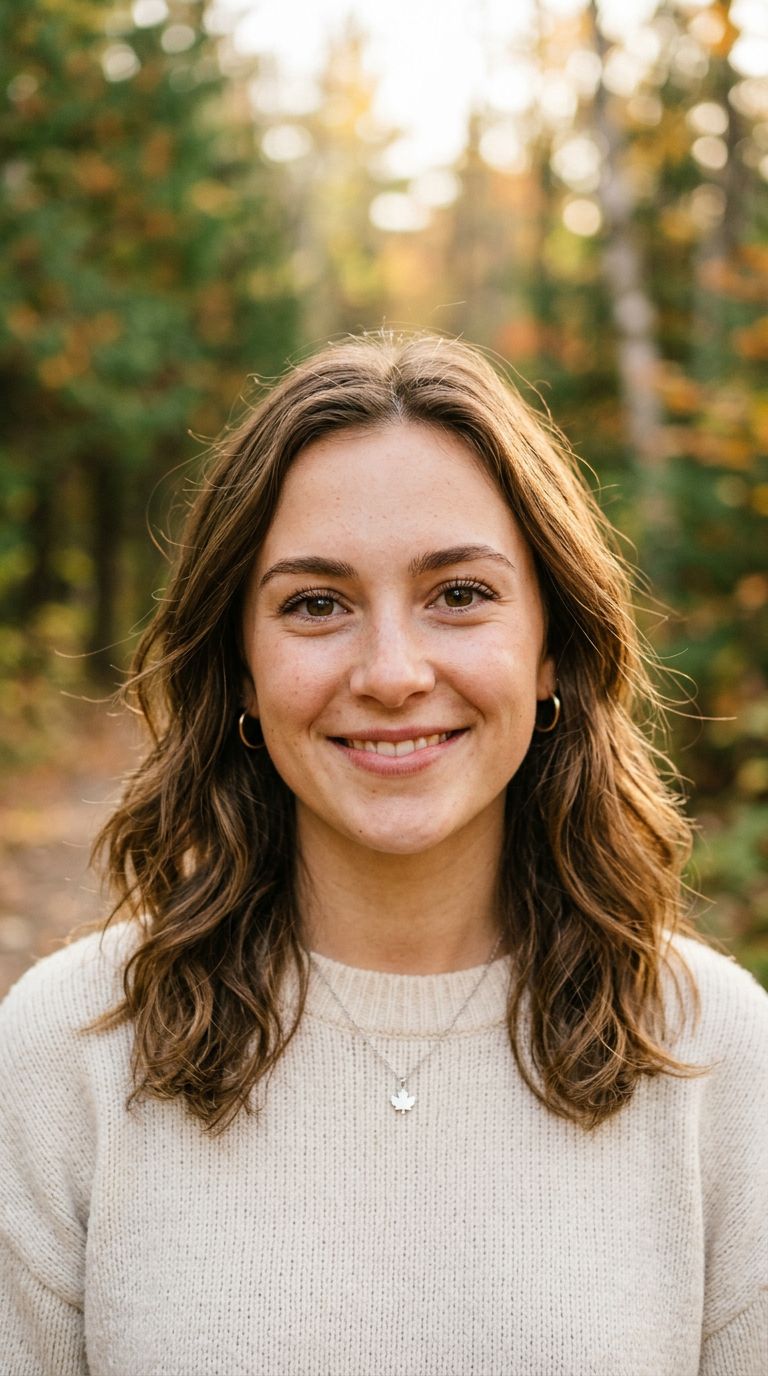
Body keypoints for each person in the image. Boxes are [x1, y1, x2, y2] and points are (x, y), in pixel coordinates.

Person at [1, 333, 766, 1376]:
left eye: (459, 593)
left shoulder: (726, 1060)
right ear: (240, 664)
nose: (393, 671)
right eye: (317, 603)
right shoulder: (60, 1055)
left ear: (552, 646)